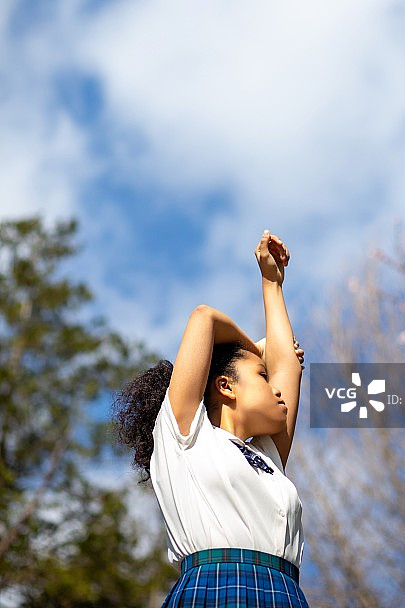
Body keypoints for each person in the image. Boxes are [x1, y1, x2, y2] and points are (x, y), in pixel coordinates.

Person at [114, 230, 310, 607]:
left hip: (285, 593)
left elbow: (290, 365)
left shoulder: (267, 456)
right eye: (263, 376)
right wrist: (258, 349)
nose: (277, 388)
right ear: (226, 386)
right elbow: (205, 318)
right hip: (213, 586)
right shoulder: (186, 435)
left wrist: (272, 282)